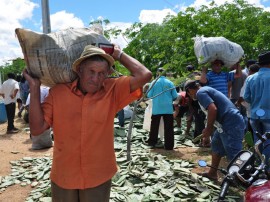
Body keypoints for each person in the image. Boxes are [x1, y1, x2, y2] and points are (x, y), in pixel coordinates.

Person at [23, 44, 152, 201]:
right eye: (91, 72)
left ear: (107, 75)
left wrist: (119, 54)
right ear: (79, 70)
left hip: (98, 174)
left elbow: (145, 75)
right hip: (64, 174)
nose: (96, 78)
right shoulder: (58, 93)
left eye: (101, 73)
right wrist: (34, 87)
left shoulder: (113, 90)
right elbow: (37, 129)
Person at [185, 80, 245, 181]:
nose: (190, 96)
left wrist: (208, 129)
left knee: (234, 153)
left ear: (190, 90)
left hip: (230, 122)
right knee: (216, 146)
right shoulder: (205, 90)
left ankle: (241, 179)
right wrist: (208, 134)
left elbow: (213, 109)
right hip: (223, 124)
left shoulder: (200, 92)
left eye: (188, 94)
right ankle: (212, 173)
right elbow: (211, 114)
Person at [244, 51, 270, 172]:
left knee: (257, 141)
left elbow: (247, 98)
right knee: (268, 143)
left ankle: (259, 166)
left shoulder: (250, 78)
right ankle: (266, 168)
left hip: (255, 114)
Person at [147, 67, 178, 150]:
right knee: (169, 128)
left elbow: (149, 95)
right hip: (168, 108)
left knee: (154, 126)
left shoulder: (154, 82)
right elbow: (175, 96)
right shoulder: (170, 82)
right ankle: (169, 146)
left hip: (157, 108)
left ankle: (152, 143)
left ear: (157, 74)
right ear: (165, 74)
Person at [25, 85, 53, 150]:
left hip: (30, 105)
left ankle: (36, 142)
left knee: (34, 123)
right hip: (39, 106)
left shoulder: (36, 87)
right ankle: (44, 143)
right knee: (44, 123)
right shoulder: (48, 89)